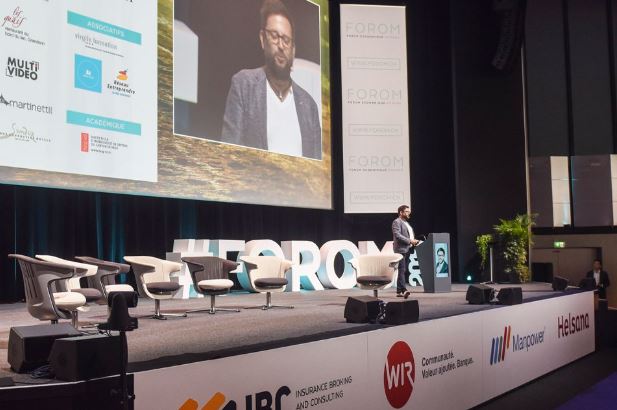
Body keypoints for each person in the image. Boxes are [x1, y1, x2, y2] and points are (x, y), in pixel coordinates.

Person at [221, 0, 321, 159]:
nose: (281, 45)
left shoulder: (309, 106)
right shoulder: (244, 85)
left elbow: (317, 166)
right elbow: (229, 155)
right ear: (263, 39)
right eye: (275, 36)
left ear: (293, 50)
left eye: (286, 40)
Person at [392, 204, 420, 298]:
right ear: (401, 212)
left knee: (403, 270)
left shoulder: (406, 223)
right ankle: (404, 290)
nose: (409, 213)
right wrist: (410, 241)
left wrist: (414, 241)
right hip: (400, 249)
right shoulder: (397, 222)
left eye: (409, 212)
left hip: (407, 248)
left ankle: (399, 291)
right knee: (402, 269)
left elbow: (408, 235)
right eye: (407, 211)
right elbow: (397, 235)